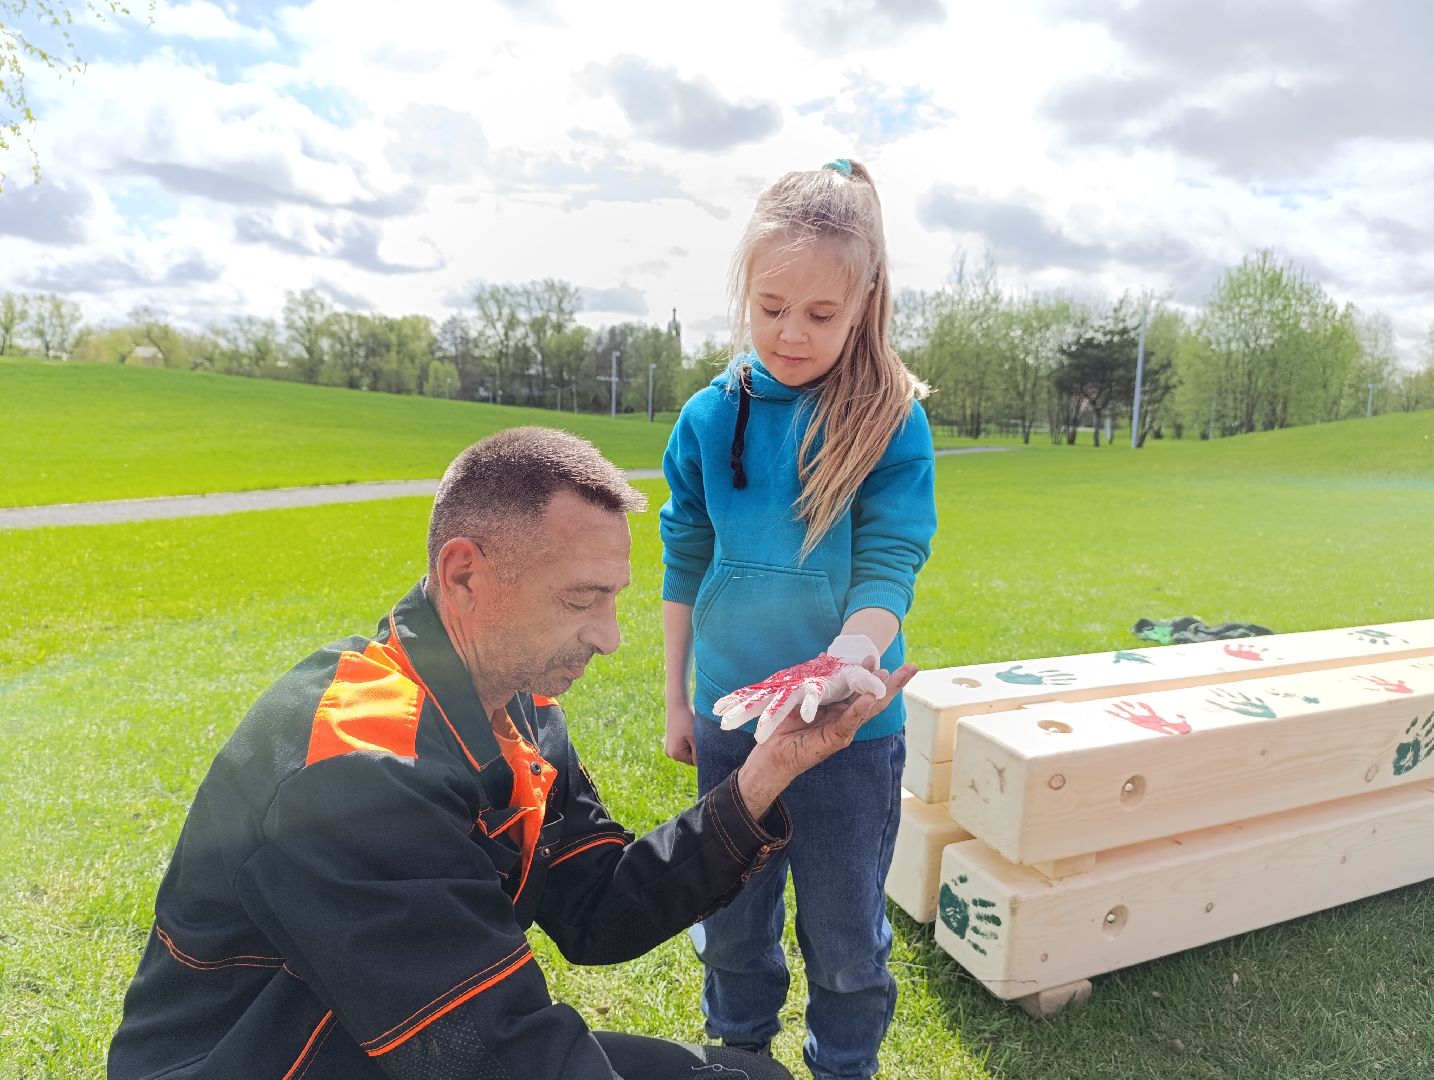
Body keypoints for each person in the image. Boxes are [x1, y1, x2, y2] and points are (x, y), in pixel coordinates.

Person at [108, 426, 915, 1080]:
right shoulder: (354, 769)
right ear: (464, 574)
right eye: (580, 599)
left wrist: (764, 773)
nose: (609, 637)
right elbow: (494, 1054)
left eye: (613, 597)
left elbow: (600, 909)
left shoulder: (517, 711)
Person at [660, 159, 937, 1080]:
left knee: (846, 935)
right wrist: (677, 702)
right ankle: (737, 1060)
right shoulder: (706, 418)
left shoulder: (889, 419)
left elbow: (891, 561)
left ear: (865, 301)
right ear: (745, 289)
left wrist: (851, 654)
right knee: (731, 921)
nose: (791, 333)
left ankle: (843, 1068)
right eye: (772, 305)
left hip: (849, 735)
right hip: (732, 725)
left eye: (821, 315)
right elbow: (684, 559)